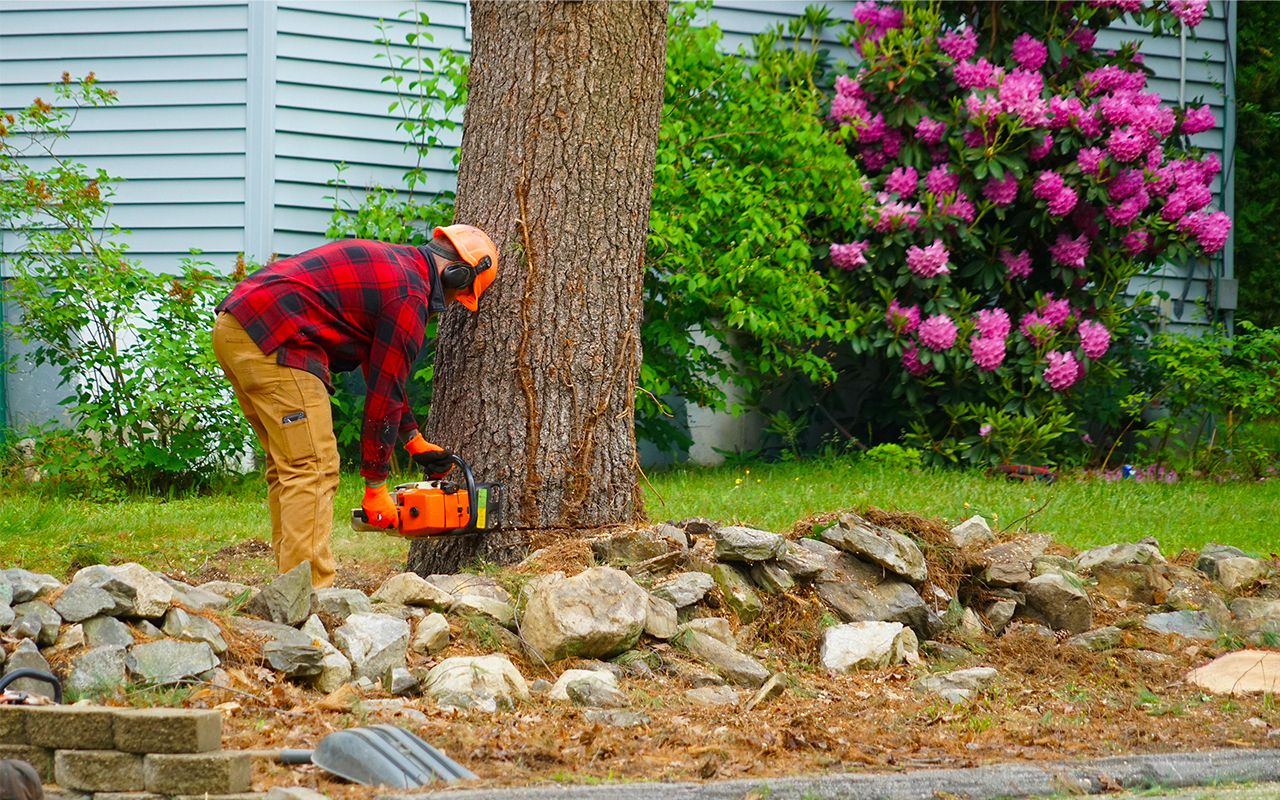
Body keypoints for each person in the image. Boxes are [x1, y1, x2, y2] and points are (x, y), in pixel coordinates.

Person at [211, 225, 498, 587]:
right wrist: (376, 486)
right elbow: (384, 392)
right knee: (313, 466)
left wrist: (412, 439)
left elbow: (381, 369)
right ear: (457, 273)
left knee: (289, 465)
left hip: (237, 325)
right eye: (461, 293)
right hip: (276, 338)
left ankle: (289, 584)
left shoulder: (399, 266)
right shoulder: (409, 296)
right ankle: (309, 592)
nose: (454, 302)